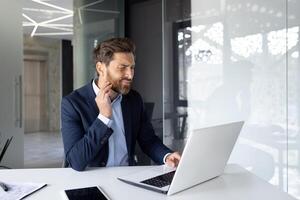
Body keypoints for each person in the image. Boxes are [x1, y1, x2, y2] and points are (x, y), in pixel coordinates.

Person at [61, 37, 181, 171]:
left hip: (127, 177)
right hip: (91, 180)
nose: (130, 75)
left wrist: (166, 155)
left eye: (132, 68)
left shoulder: (134, 99)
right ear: (101, 68)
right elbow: (76, 161)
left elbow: (148, 140)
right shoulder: (72, 104)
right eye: (122, 68)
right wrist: (104, 118)